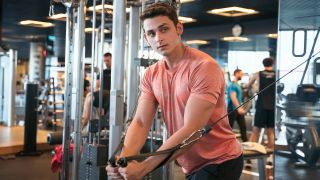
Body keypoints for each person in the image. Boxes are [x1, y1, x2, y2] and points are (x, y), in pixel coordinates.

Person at [106, 3, 243, 180]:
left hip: (220, 160)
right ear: (147, 39)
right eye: (151, 33)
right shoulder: (151, 73)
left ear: (178, 28)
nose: (158, 38)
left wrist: (144, 168)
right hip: (190, 164)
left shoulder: (204, 67)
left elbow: (192, 130)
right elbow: (140, 122)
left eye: (164, 29)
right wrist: (125, 161)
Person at [248, 57, 276, 149]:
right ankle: (270, 157)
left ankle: (251, 155)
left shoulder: (257, 74)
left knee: (256, 130)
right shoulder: (277, 74)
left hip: (261, 105)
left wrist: (253, 89)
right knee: (270, 131)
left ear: (263, 64)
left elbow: (249, 85)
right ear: (272, 64)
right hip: (272, 106)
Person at [81, 53, 112, 132]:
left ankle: (83, 126)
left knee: (89, 97)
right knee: (89, 96)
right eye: (104, 61)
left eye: (108, 60)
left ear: (112, 59)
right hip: (103, 96)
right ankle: (84, 124)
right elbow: (97, 87)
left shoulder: (116, 73)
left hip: (111, 96)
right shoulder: (101, 73)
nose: (106, 62)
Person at [227, 69, 248, 142]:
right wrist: (239, 108)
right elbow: (233, 97)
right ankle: (226, 147)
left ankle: (246, 144)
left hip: (238, 109)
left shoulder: (237, 85)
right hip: (232, 110)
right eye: (241, 74)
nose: (242, 75)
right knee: (229, 130)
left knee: (243, 127)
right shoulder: (232, 85)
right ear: (236, 74)